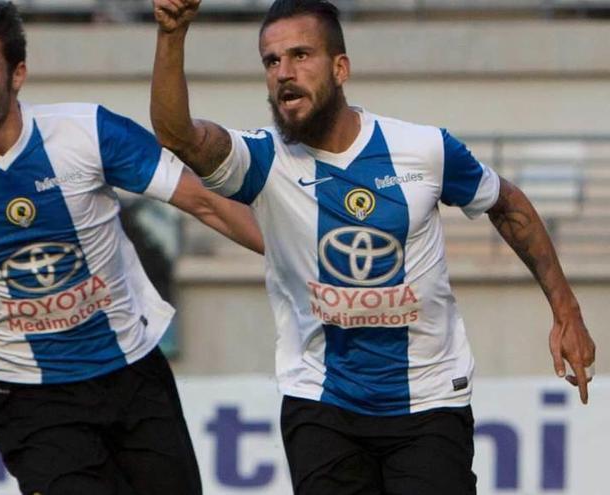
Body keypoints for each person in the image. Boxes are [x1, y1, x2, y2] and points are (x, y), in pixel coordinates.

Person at [149, 0, 597, 493]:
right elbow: (178, 136)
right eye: (271, 61)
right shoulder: (262, 160)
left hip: (429, 402)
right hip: (322, 402)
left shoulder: (424, 149)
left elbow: (507, 204)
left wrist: (566, 310)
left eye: (301, 55)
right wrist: (172, 35)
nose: (284, 73)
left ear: (341, 68)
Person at [0, 1, 263, 494]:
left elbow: (203, 201)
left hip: (132, 373)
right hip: (31, 396)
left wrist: (294, 253)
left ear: (17, 73)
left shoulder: (87, 131)